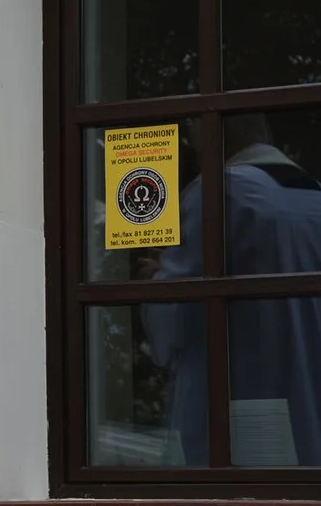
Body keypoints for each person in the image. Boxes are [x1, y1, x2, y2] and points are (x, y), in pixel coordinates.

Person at [141, 114, 321, 466]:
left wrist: (153, 283)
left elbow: (176, 312)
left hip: (244, 397)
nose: (193, 158)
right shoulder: (314, 194)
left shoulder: (221, 191)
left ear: (213, 141)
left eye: (194, 146)